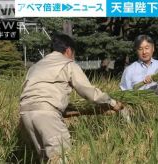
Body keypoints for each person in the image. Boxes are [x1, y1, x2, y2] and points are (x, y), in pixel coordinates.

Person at [19, 33, 123, 162]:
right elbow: (88, 91)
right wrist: (112, 102)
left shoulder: (36, 66)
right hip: (47, 114)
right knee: (62, 157)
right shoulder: (67, 63)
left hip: (26, 114)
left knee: (45, 158)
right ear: (68, 50)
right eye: (73, 54)